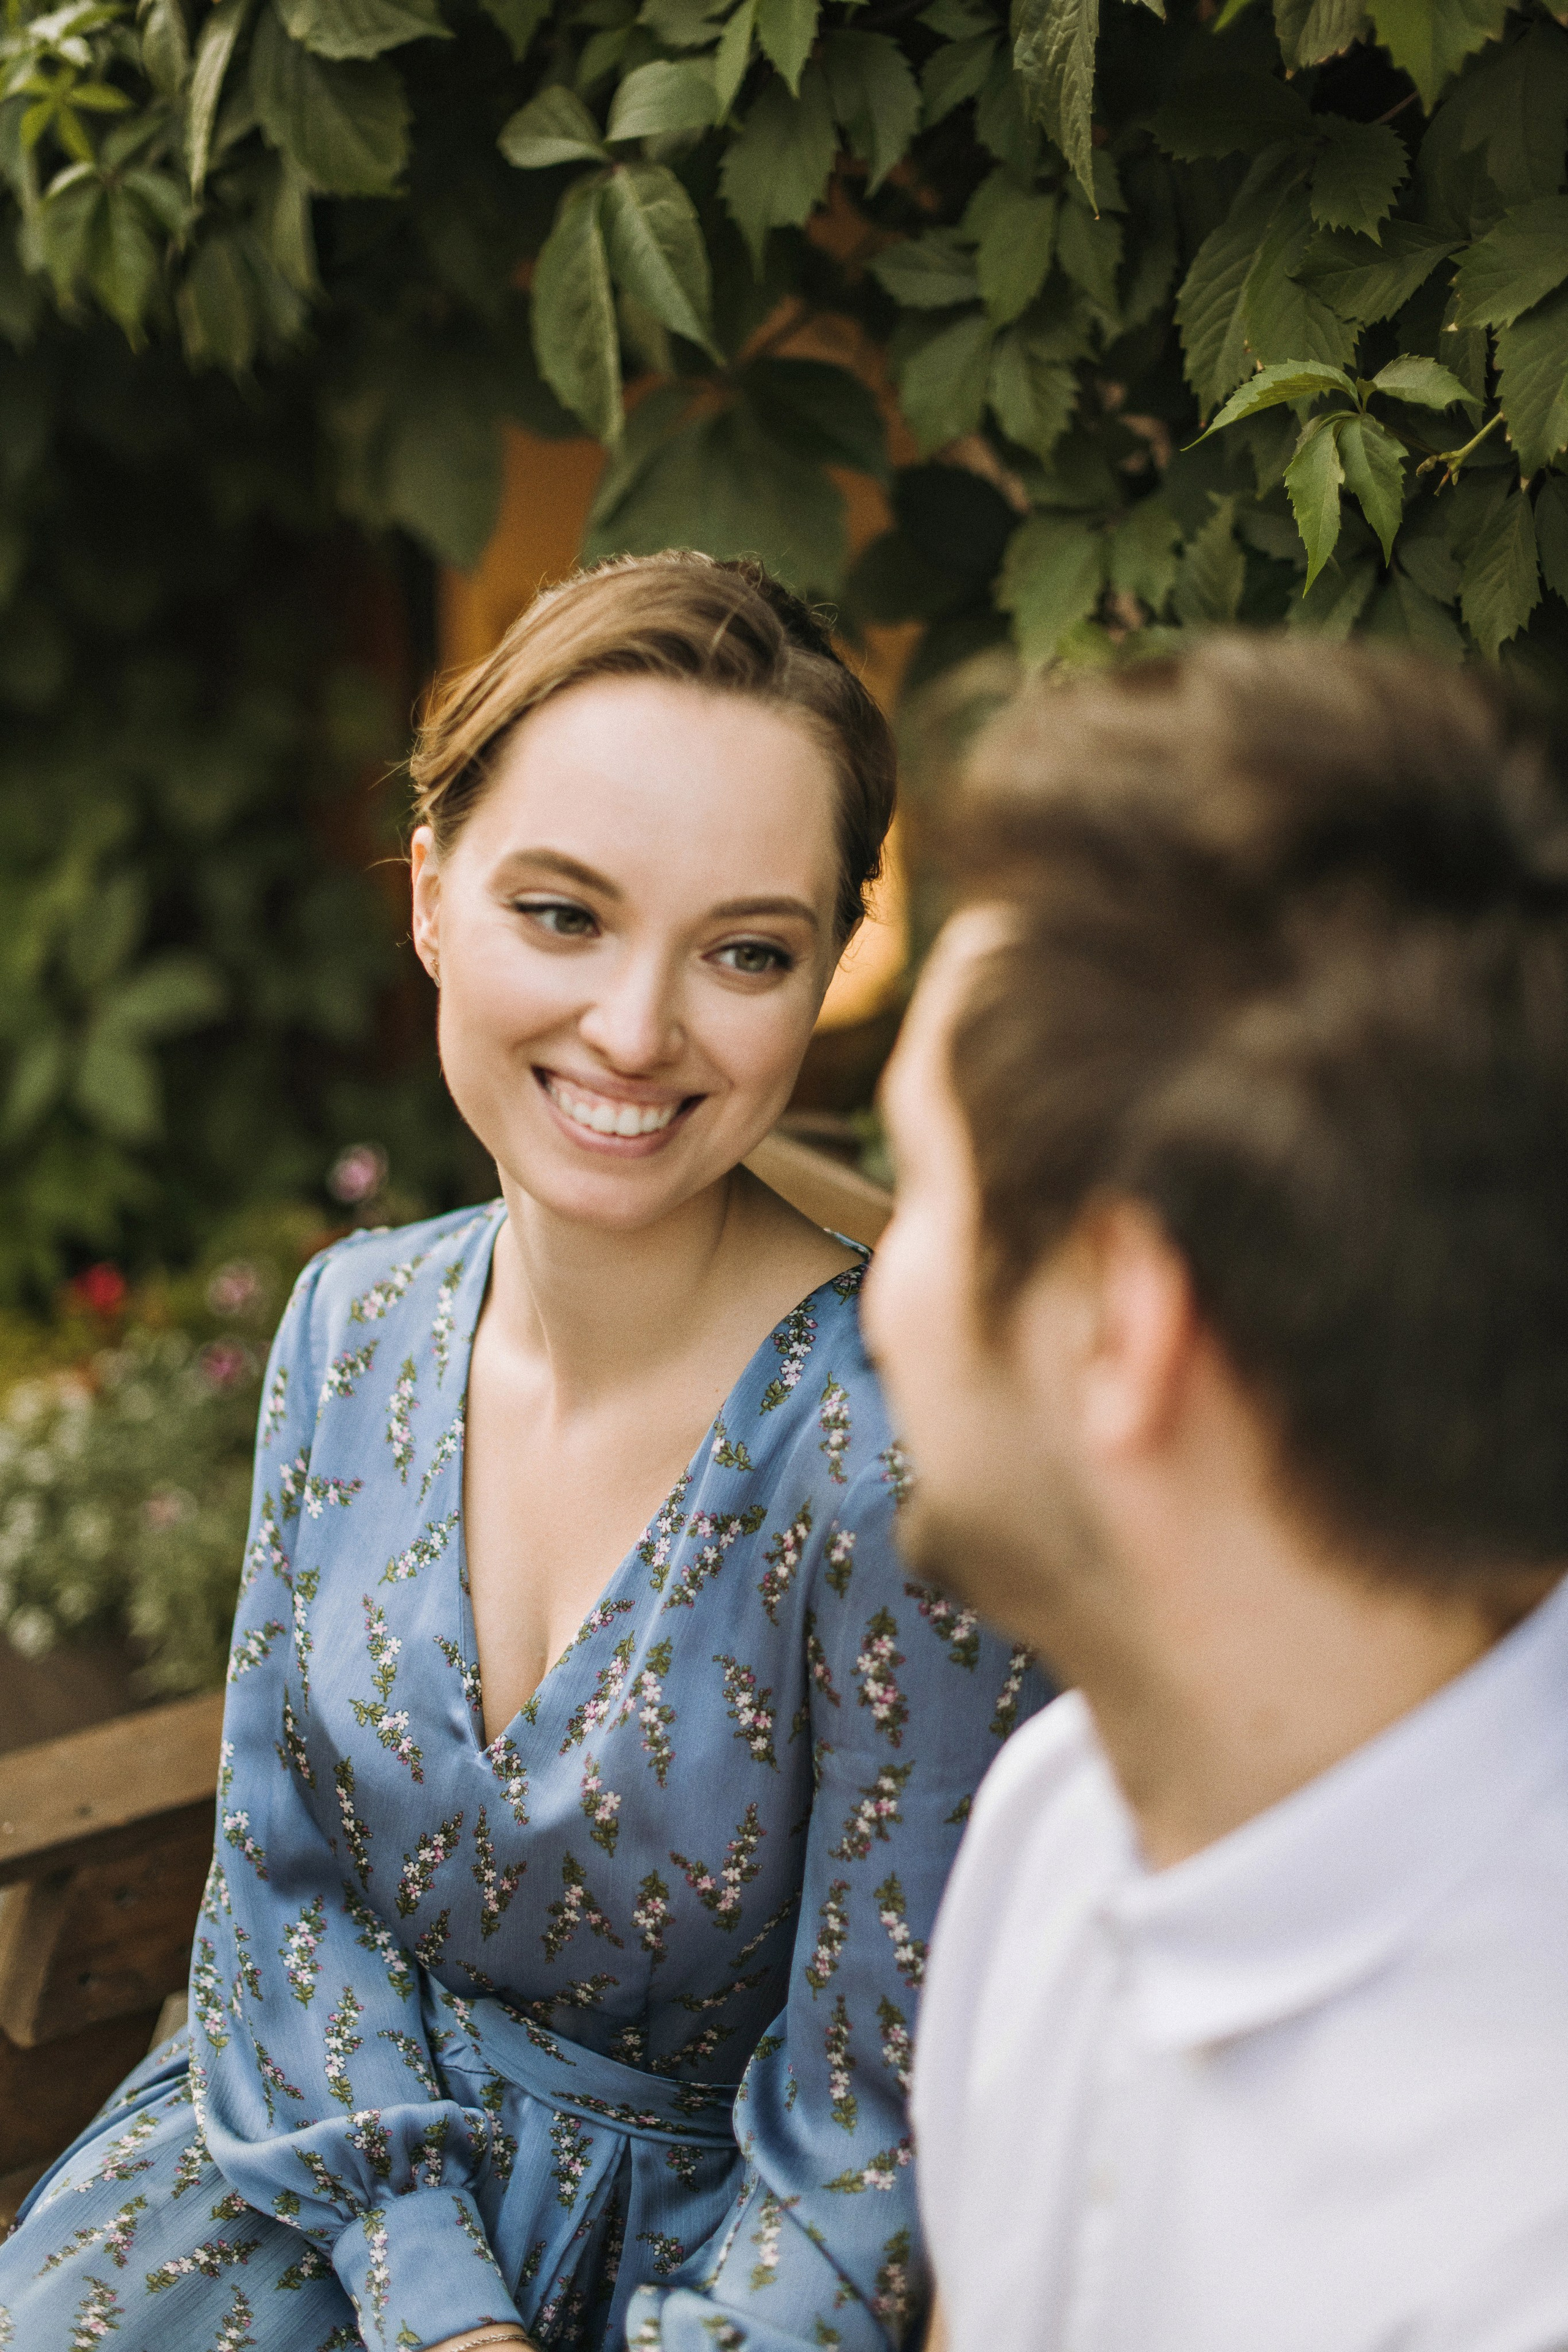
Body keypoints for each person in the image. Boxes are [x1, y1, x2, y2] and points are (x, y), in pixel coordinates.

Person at [0, 554, 1046, 2352]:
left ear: (819, 979)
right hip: (308, 2180)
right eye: (563, 914)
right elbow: (282, 1879)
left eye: (743, 951)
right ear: (430, 898)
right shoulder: (352, 1325)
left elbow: (877, 2129)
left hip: (691, 2289)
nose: (638, 1032)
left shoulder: (892, 1460)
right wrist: (431, 2295)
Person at [862, 638, 1568, 2352]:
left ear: (1119, 1323)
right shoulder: (1061, 1810)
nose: (881, 1286)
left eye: (920, 1190)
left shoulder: (1510, 2253)